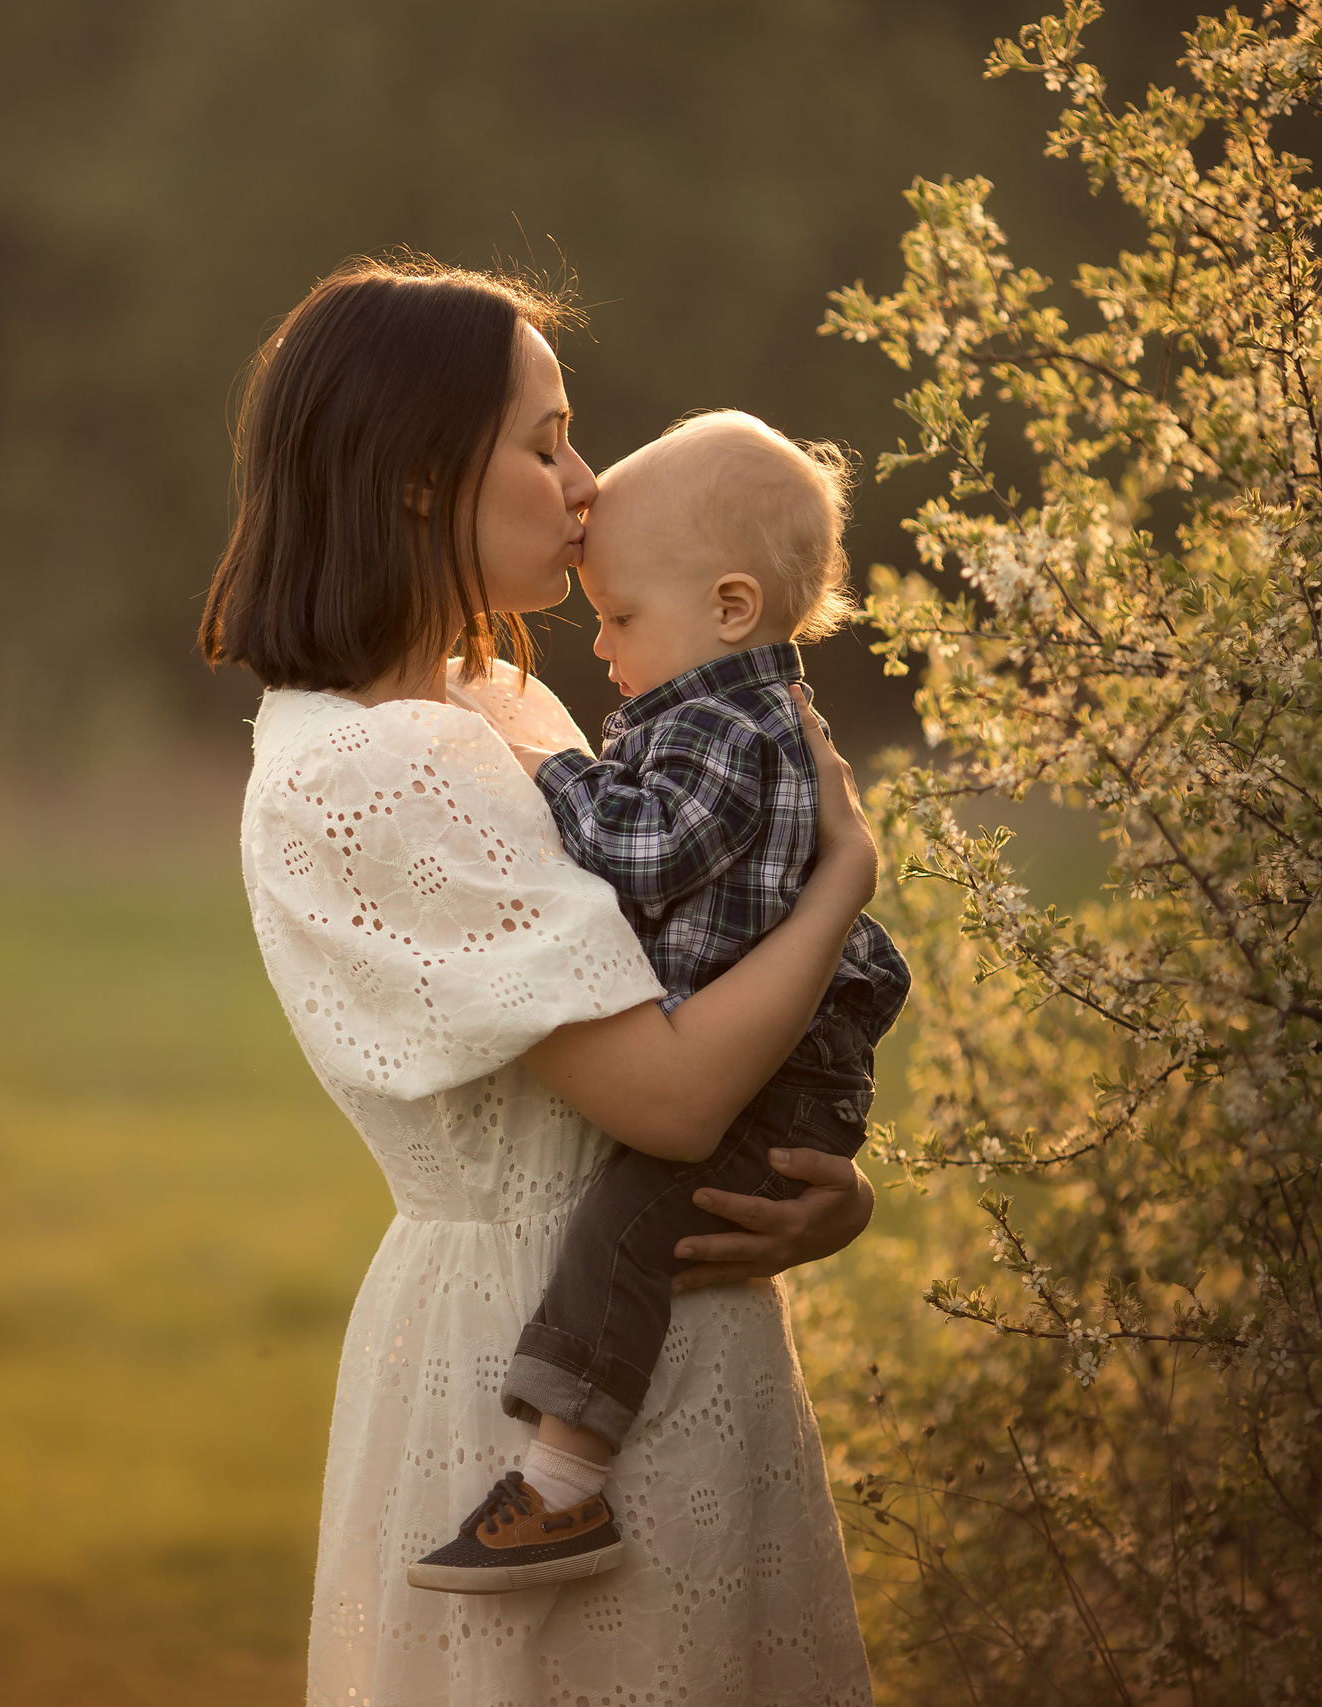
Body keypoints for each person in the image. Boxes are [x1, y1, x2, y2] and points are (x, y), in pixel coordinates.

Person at [201, 255, 878, 1704]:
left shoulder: (495, 704)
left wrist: (830, 1183)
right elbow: (678, 1096)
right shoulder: (372, 772)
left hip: (672, 1325)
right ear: (416, 475)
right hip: (521, 1361)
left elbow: (696, 995)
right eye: (544, 438)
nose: (584, 484)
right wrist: (843, 884)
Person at [403, 411, 912, 1595]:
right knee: (636, 1225)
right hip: (767, 1060)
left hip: (768, 1077)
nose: (602, 649)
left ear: (730, 609)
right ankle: (562, 1476)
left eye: (621, 619)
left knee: (629, 1225)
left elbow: (635, 853)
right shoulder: (713, 717)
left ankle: (561, 1490)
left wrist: (546, 771)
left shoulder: (731, 733)